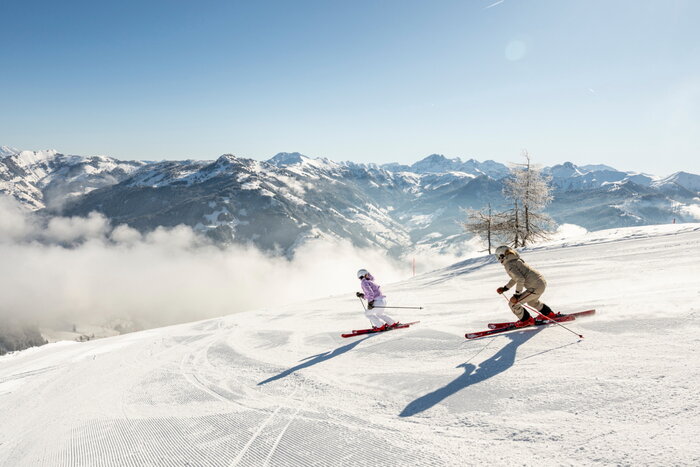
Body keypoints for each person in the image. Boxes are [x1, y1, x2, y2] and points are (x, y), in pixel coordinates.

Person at [494, 246, 559, 327]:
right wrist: (505, 288)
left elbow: (520, 279)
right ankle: (549, 315)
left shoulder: (509, 264)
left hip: (535, 287)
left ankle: (526, 320)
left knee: (513, 304)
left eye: (498, 256)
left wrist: (516, 296)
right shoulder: (516, 260)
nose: (498, 259)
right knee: (532, 302)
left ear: (502, 255)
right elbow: (516, 278)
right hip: (541, 283)